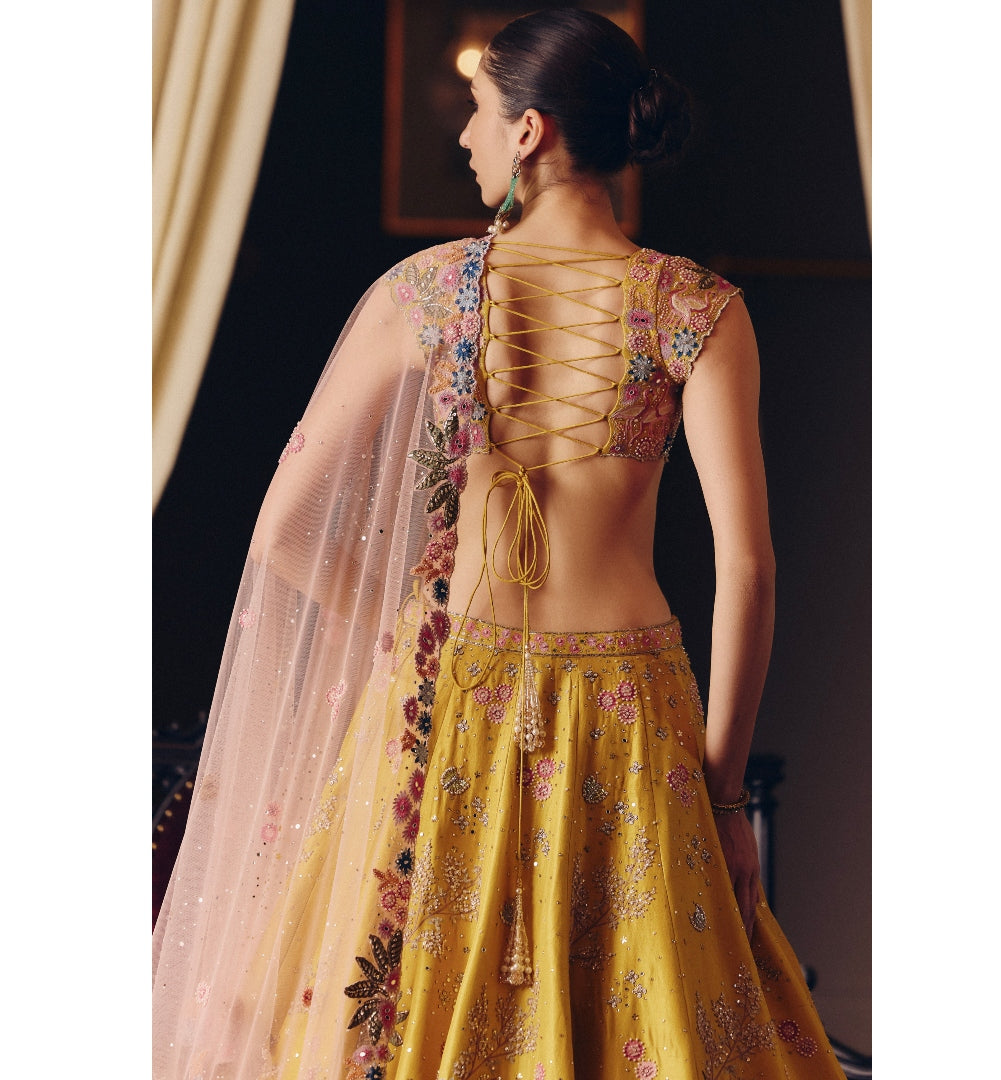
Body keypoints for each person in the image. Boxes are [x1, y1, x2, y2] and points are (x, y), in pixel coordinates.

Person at [153, 8, 846, 1078]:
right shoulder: (695, 307)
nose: (467, 136)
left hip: (447, 696)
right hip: (628, 715)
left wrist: (407, 632)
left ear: (529, 131)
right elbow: (747, 570)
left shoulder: (425, 294)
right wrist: (720, 798)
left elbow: (286, 529)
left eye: (480, 112)